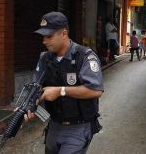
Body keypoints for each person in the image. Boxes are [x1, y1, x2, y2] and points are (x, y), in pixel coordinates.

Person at [26, 12, 104, 154]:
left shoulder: (85, 56)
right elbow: (35, 85)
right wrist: (28, 104)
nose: (44, 41)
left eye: (49, 36)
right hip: (54, 125)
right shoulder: (45, 58)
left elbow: (96, 90)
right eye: (43, 36)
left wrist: (60, 91)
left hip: (78, 128)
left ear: (63, 33)